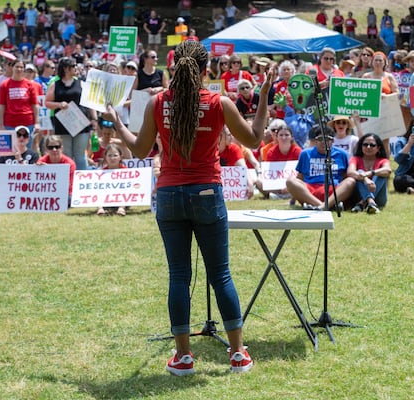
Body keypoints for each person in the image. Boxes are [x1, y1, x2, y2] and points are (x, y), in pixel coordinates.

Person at [102, 40, 274, 375]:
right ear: (206, 68)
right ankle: (238, 354)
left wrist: (116, 122)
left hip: (168, 194)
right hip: (207, 192)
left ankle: (183, 357)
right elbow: (254, 139)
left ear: (173, 67)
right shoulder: (218, 102)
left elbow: (139, 150)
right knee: (220, 275)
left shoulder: (157, 102)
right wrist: (264, 93)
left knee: (179, 276)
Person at [45, 56, 97, 170]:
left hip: (81, 123)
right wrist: (59, 105)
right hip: (63, 123)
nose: (76, 68)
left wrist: (94, 119)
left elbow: (90, 103)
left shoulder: (81, 83)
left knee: (80, 155)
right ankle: (68, 180)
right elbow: (47, 102)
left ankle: (81, 181)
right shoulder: (56, 85)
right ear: (65, 69)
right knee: (66, 154)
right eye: (73, 66)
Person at [286, 125, 355, 211]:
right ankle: (325, 206)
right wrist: (293, 199)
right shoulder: (305, 153)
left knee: (350, 181)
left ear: (333, 141)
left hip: (332, 190)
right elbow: (300, 176)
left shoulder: (342, 154)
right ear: (315, 141)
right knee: (290, 181)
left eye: (327, 139)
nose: (323, 142)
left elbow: (345, 176)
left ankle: (323, 206)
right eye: (320, 139)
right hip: (310, 191)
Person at [0, 126, 39, 204]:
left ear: (28, 139)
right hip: (9, 187)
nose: (21, 137)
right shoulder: (5, 154)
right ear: (14, 137)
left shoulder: (34, 154)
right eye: (18, 135)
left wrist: (20, 160)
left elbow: (32, 175)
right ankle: (6, 198)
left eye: (25, 135)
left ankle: (3, 199)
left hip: (26, 188)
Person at [0, 59, 40, 149]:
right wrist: (1, 124)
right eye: (17, 66)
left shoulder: (30, 85)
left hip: (28, 122)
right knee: (11, 150)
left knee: (26, 149)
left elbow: (35, 105)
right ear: (12, 68)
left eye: (21, 67)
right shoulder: (4, 85)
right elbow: (1, 106)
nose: (19, 69)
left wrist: (37, 123)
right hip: (10, 123)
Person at [347, 133, 391, 214]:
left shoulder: (383, 160)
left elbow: (388, 170)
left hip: (379, 198)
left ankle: (362, 203)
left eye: (372, 145)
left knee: (381, 174)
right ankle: (370, 201)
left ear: (378, 148)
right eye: (365, 144)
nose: (368, 147)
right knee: (359, 172)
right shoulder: (355, 159)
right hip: (358, 195)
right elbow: (350, 172)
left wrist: (370, 173)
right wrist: (365, 179)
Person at [36, 135, 76, 200]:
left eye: (57, 147)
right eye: (50, 147)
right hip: (46, 194)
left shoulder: (70, 163)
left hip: (65, 194)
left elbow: (68, 185)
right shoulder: (41, 161)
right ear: (46, 149)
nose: (54, 150)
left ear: (62, 148)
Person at [96, 143, 128, 216]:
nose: (112, 158)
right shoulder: (101, 172)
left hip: (122, 198)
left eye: (115, 155)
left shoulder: (126, 171)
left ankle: (121, 208)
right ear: (105, 157)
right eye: (109, 155)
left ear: (120, 157)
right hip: (106, 199)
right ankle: (100, 209)